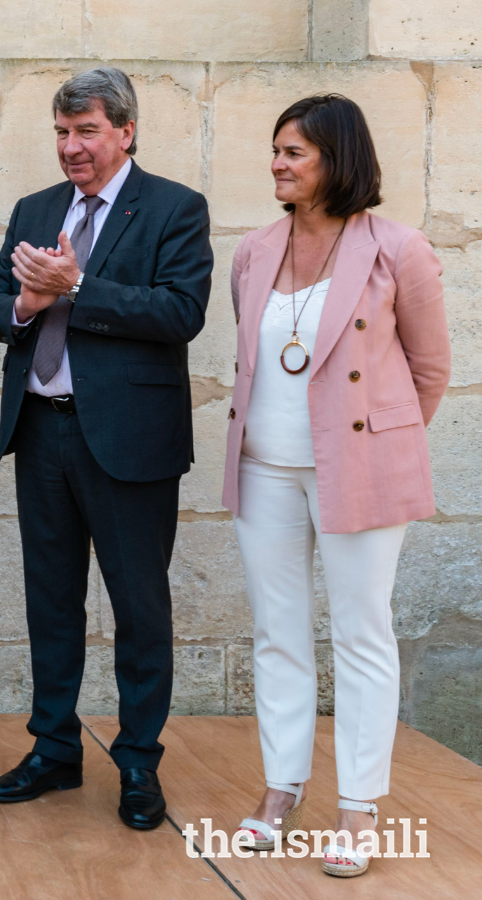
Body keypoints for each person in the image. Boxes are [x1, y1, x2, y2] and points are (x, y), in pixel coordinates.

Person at [0, 67, 213, 829]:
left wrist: (77, 288)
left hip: (130, 440)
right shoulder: (35, 209)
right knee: (51, 600)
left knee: (139, 605)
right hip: (41, 429)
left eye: (86, 132)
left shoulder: (175, 207)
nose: (70, 147)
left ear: (126, 132)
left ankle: (138, 763)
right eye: (61, 132)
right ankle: (54, 750)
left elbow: (182, 311)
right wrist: (25, 302)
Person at [223, 95, 449, 878]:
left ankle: (358, 808)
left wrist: (375, 445)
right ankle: (280, 789)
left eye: (295, 152)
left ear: (337, 159)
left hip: (359, 471)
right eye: (276, 150)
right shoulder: (253, 251)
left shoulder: (398, 248)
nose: (278, 164)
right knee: (276, 633)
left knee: (361, 633)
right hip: (262, 470)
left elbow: (430, 369)